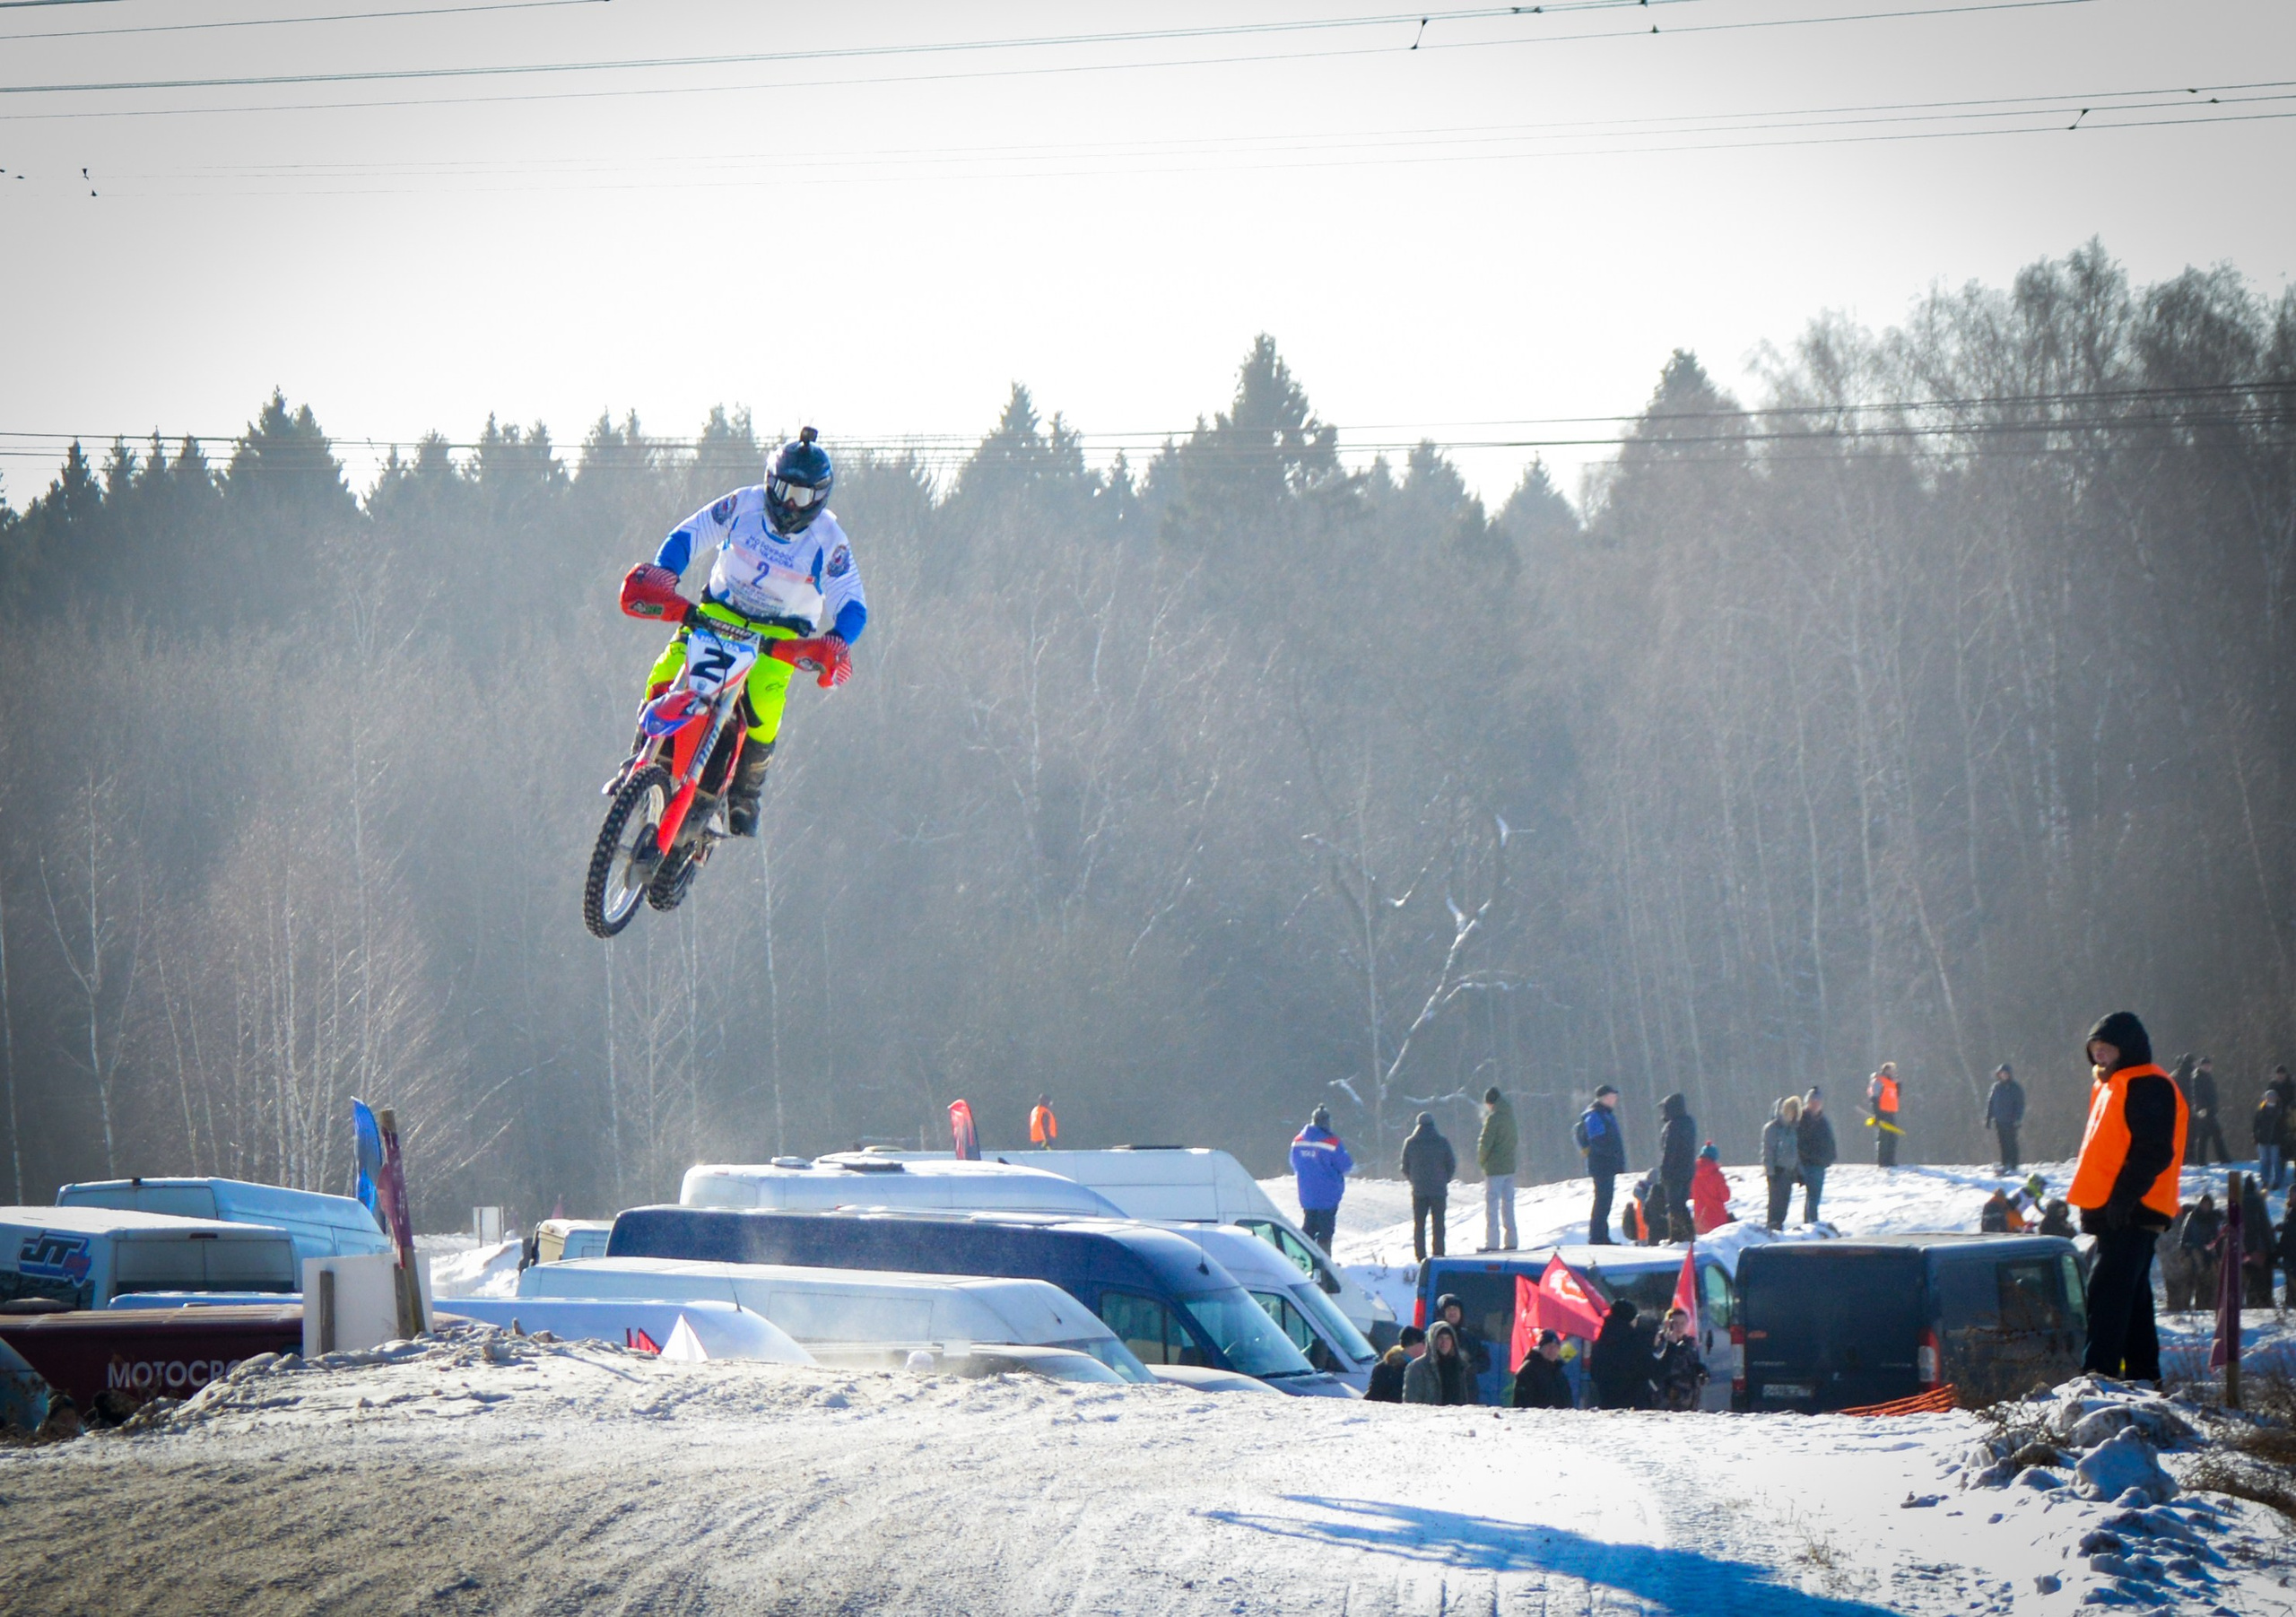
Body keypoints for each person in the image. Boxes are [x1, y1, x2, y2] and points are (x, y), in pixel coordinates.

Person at [621, 427, 865, 837]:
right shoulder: (743, 504)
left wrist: (837, 640)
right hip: (718, 614)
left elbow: (852, 602)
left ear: (819, 499)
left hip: (781, 639)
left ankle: (747, 793)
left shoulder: (829, 538)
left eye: (802, 497)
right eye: (784, 489)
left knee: (766, 701)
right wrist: (666, 573)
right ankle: (639, 754)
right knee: (668, 669)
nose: (790, 503)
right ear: (769, 481)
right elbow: (689, 533)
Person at [2068, 1010, 2187, 1383]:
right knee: (2133, 1299)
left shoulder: (2148, 1084)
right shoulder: (2112, 1084)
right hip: (2118, 1210)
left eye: (2107, 1048)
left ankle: (2097, 1377)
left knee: (2107, 1291)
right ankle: (2143, 1378)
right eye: (2095, 1049)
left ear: (2128, 1048)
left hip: (2134, 1208)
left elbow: (2154, 1150)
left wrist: (2122, 1198)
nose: (2100, 1055)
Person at [1289, 1107, 1354, 1254]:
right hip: (1327, 1195)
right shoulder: (1332, 1141)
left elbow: (1293, 1163)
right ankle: (1325, 1265)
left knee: (1308, 1229)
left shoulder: (1298, 1140)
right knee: (1325, 1232)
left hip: (1307, 1195)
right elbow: (1346, 1165)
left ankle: (1303, 1259)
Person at [1401, 1110, 1457, 1263]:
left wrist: (1414, 1180)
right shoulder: (1442, 1142)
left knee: (1419, 1225)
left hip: (1419, 1191)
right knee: (1438, 1224)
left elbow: (1405, 1167)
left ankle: (1420, 1256)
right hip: (1438, 1191)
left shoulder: (1410, 1143)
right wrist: (1444, 1180)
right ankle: (1438, 1254)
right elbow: (1451, 1164)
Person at [1577, 1085, 1628, 1244]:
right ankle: (1597, 1237)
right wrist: (1612, 1155)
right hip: (1601, 1165)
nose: (1615, 1100)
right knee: (1602, 1200)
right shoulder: (1595, 1115)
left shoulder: (1605, 1114)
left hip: (1606, 1164)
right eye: (1612, 1096)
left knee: (1605, 1201)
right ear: (1603, 1098)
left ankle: (1601, 1236)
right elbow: (1598, 1141)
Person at [1587, 1300, 1653, 1409]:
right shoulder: (1634, 1341)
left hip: (1606, 1402)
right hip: (1632, 1404)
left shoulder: (1601, 1339)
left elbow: (1594, 1372)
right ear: (1631, 1319)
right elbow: (1651, 1371)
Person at [1477, 1086, 1519, 1251]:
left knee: (1492, 1207)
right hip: (1509, 1167)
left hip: (1494, 1169)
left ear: (1490, 1103)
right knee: (1508, 1205)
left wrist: (1483, 1161)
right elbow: (1515, 1140)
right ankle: (1512, 1241)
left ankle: (1492, 1243)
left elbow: (1485, 1143)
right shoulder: (1510, 1117)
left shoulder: (1493, 1119)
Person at [1652, 1306, 1709, 1412]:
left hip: (1689, 1400)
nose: (1679, 1327)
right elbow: (1661, 1366)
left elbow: (1691, 1364)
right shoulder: (1660, 1342)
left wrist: (1700, 1370)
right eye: (1675, 1323)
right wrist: (1670, 1344)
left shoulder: (1689, 1344)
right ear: (1668, 1324)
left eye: (1683, 1323)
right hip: (1668, 1402)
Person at [1656, 1093, 1696, 1243]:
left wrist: (1664, 1172)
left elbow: (1669, 1151)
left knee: (1673, 1206)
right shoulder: (1689, 1123)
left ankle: (1677, 1237)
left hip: (1673, 1172)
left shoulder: (1673, 1126)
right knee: (1682, 1204)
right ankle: (1689, 1234)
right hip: (1688, 1171)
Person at [1404, 1320, 1474, 1405]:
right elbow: (1411, 1403)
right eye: (1440, 1338)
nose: (1444, 1342)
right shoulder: (1418, 1367)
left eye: (1448, 1338)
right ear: (1432, 1340)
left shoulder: (1461, 1367)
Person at [1796, 1088, 1837, 1225]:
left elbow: (1830, 1141)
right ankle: (1811, 1223)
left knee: (1815, 1197)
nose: (1815, 1104)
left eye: (1818, 1101)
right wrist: (1808, 1157)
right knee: (1812, 1196)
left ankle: (1811, 1223)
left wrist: (1829, 1158)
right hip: (1807, 1163)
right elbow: (1799, 1143)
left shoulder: (1823, 1121)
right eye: (1813, 1101)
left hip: (1820, 1164)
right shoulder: (1801, 1120)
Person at [1761, 1098, 1801, 1230]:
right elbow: (1768, 1152)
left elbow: (1795, 1150)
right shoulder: (1772, 1129)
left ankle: (1779, 1226)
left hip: (1788, 1172)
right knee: (1775, 1204)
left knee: (1784, 1203)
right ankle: (1772, 1227)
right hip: (1777, 1171)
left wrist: (1799, 1171)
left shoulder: (1792, 1129)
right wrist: (1771, 1172)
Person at [1511, 1328, 1575, 1409]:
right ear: (1540, 1348)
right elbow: (1522, 1404)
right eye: (1549, 1346)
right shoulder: (1528, 1370)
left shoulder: (1560, 1373)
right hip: (1537, 1420)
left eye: (1556, 1347)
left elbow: (1568, 1401)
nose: (1552, 1350)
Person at [1436, 1293, 1492, 1385]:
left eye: (1455, 1309)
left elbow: (1485, 1362)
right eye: (1449, 1309)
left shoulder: (1469, 1337)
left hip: (1466, 1390)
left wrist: (1471, 1367)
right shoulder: (1432, 1336)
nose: (1453, 1312)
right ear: (1442, 1312)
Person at [2186, 1056, 2229, 1166]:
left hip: (2209, 1109)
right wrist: (2201, 1108)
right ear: (2202, 1066)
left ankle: (2202, 1160)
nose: (2208, 1067)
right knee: (2215, 1133)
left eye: (2209, 1065)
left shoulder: (2207, 1076)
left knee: (2205, 1136)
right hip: (2204, 1111)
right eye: (2206, 1065)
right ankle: (2223, 1158)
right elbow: (2197, 1095)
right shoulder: (2198, 1077)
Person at [2239, 1173, 2274, 1308]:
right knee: (2260, 1279)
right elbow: (2263, 1225)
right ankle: (2259, 1303)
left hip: (2245, 1248)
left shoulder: (2240, 1202)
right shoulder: (2258, 1201)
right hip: (2259, 1248)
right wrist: (2270, 1248)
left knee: (2247, 1279)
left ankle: (2251, 1303)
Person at [1366, 1326, 1424, 1403]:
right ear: (1414, 1343)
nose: (1426, 1347)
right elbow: (1373, 1397)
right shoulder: (1385, 1368)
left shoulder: (1422, 1367)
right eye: (1423, 1343)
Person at [1986, 1065, 2025, 1173]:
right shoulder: (1996, 1087)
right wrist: (1988, 1118)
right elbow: (1991, 1103)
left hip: (2011, 1120)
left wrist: (2018, 1119)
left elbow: (2020, 1105)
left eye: (2006, 1074)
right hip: (1999, 1120)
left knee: (2011, 1142)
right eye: (2002, 1074)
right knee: (2002, 1143)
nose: (2004, 1076)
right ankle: (2005, 1163)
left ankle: (2013, 1164)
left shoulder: (2015, 1088)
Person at [1692, 1143, 1733, 1234]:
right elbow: (1726, 1197)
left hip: (1700, 1221)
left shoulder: (1692, 1175)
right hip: (1718, 1221)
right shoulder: (1717, 1176)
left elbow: (1690, 1195)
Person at [1868, 1062, 1902, 1169]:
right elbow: (1874, 1097)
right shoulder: (1880, 1081)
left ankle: (1890, 1160)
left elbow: (1895, 1096)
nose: (1893, 1072)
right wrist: (1877, 1113)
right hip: (1882, 1112)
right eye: (1891, 1069)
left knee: (1892, 1137)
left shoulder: (1891, 1082)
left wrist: (1899, 1087)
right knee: (1884, 1137)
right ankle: (1883, 1161)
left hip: (1890, 1112)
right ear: (1886, 1070)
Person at [2255, 1084, 2286, 1192]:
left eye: (2272, 1097)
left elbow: (2282, 1126)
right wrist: (2255, 1136)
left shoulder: (2280, 1111)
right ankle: (2265, 1180)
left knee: (2275, 1160)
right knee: (2264, 1161)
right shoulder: (2261, 1110)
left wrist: (2282, 1138)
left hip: (2275, 1140)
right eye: (2268, 1097)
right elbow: (2256, 1124)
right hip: (2263, 1139)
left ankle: (2277, 1181)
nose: (2270, 1099)